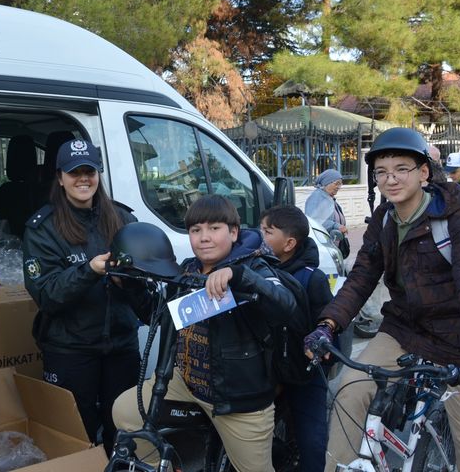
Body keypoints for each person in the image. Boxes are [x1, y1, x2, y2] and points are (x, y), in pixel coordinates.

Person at [304, 127, 460, 472]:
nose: (390, 179)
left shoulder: (458, 218)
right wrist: (328, 324)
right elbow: (361, 277)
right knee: (349, 393)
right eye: (381, 172)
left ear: (423, 172)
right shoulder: (384, 218)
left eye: (401, 169)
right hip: (403, 329)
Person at [113, 194, 297, 472]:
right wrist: (128, 283)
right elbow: (161, 314)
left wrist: (239, 276)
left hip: (238, 400)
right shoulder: (187, 269)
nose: (204, 237)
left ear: (234, 232)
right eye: (196, 230)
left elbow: (285, 305)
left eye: (214, 228)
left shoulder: (254, 266)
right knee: (124, 411)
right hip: (186, 383)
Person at [22, 139, 140, 455]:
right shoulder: (42, 228)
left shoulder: (124, 220)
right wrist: (90, 270)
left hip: (121, 347)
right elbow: (47, 295)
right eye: (74, 172)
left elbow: (145, 292)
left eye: (89, 170)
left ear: (98, 174)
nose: (83, 178)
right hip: (70, 351)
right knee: (74, 438)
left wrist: (129, 280)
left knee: (125, 433)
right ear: (60, 178)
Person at [259, 205, 332, 472]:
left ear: (289, 243)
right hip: (267, 372)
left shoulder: (313, 279)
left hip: (305, 375)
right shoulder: (256, 270)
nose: (260, 236)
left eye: (267, 232)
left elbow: (330, 327)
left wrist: (318, 357)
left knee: (311, 440)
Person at [305, 169, 348, 256]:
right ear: (326, 183)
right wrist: (336, 226)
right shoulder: (317, 197)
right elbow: (314, 221)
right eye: (336, 183)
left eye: (340, 184)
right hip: (322, 247)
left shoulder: (328, 197)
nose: (339, 187)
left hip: (330, 245)